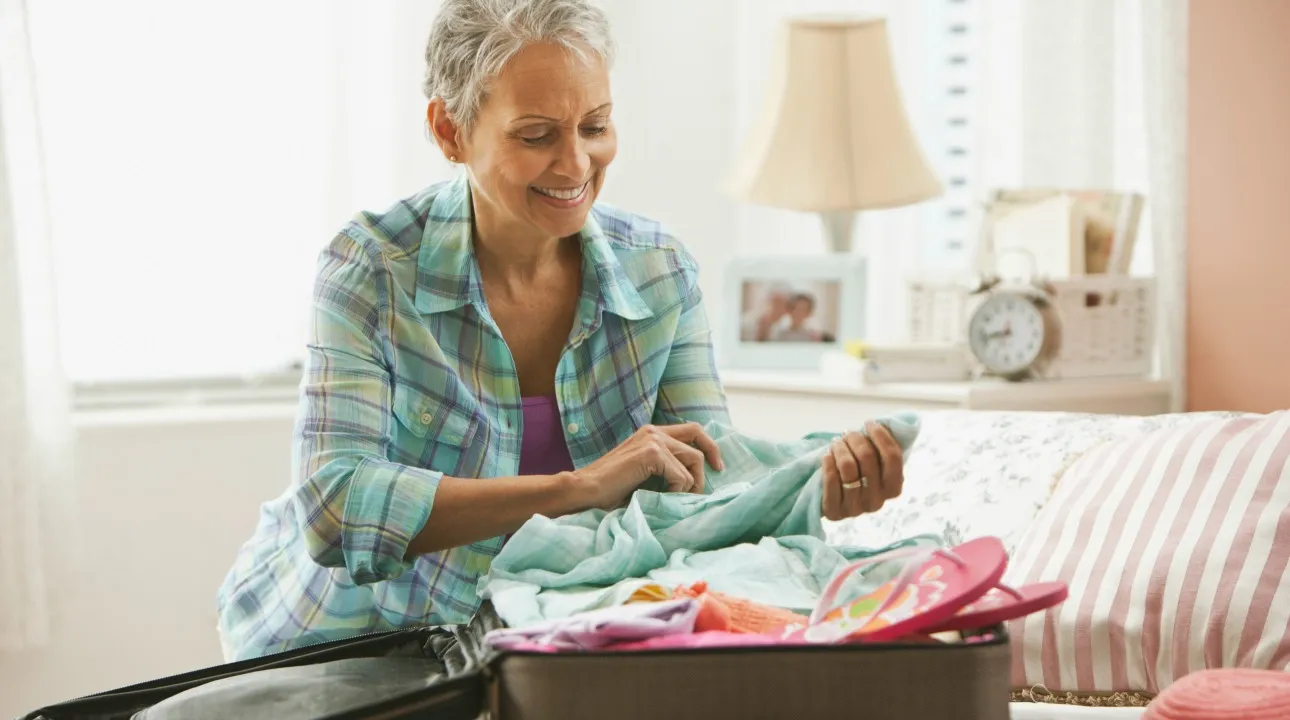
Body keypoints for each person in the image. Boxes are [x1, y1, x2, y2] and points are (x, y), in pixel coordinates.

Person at [216, 0, 906, 661]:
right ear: (450, 130)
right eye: (536, 135)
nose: (576, 165)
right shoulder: (370, 268)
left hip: (548, 640)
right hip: (357, 642)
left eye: (595, 126)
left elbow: (702, 490)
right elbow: (334, 507)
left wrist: (812, 488)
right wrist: (578, 487)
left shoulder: (659, 274)